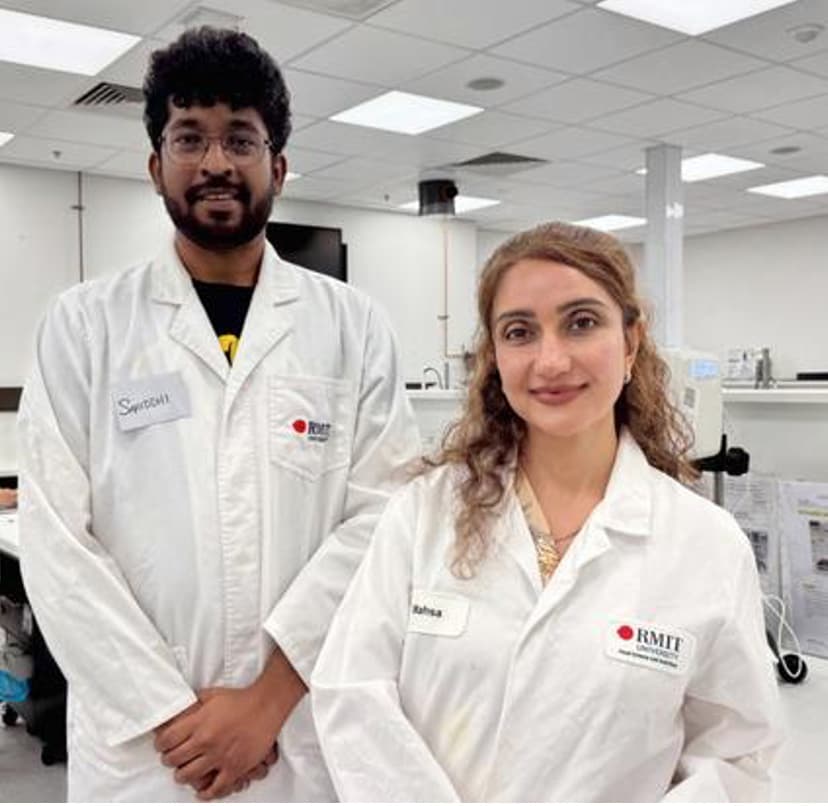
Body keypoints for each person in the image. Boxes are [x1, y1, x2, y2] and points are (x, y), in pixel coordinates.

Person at [17, 26, 419, 802]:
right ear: (155, 165)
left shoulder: (352, 327)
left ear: (278, 165)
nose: (215, 162)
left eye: (240, 138)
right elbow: (56, 543)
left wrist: (265, 704)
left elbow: (384, 522)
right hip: (148, 758)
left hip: (294, 739)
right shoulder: (84, 326)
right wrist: (173, 716)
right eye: (188, 137)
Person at [311, 222, 783, 802]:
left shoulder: (705, 542)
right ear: (494, 356)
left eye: (581, 322)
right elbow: (351, 692)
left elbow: (736, 754)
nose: (551, 360)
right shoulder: (423, 512)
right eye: (520, 332)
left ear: (631, 342)